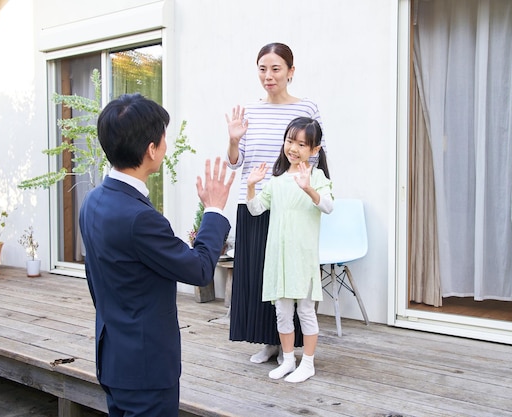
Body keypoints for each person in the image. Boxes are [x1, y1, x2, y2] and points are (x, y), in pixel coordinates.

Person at [79, 93, 235, 417]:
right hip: (146, 370)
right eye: (163, 137)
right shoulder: (140, 218)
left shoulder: (92, 202)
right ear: (151, 150)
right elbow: (200, 269)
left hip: (113, 358)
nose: (165, 144)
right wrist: (215, 209)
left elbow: (96, 283)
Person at [225, 42, 326, 364]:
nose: (268, 76)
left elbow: (318, 155)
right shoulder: (249, 112)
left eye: (276, 68)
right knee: (257, 276)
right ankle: (268, 342)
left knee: (290, 278)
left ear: (291, 72)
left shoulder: (307, 108)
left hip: (292, 204)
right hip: (253, 200)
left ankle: (290, 349)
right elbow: (235, 163)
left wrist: (310, 192)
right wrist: (233, 139)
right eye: (262, 69)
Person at [246, 117, 332, 383]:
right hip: (278, 259)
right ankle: (288, 359)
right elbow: (255, 208)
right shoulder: (278, 180)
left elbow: (328, 206)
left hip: (302, 258)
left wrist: (309, 189)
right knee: (282, 312)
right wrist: (251, 185)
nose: (293, 148)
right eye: (290, 141)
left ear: (315, 150)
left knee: (305, 310)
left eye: (302, 144)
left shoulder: (316, 177)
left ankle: (308, 363)